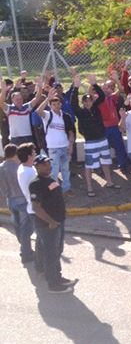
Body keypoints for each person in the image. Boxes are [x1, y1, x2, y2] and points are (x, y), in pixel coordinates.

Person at [28, 154, 77, 293]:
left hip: (58, 222)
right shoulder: (36, 183)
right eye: (44, 164)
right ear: (36, 166)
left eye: (49, 163)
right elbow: (36, 207)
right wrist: (50, 222)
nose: (48, 166)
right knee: (51, 253)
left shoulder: (50, 179)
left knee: (56, 251)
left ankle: (57, 276)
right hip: (48, 225)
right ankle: (53, 284)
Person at [72, 74, 118, 195]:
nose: (88, 103)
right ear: (83, 102)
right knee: (89, 166)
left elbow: (102, 96)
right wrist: (76, 88)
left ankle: (109, 182)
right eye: (85, 101)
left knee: (106, 162)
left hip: (102, 139)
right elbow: (73, 104)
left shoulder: (96, 108)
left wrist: (94, 84)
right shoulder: (80, 112)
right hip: (90, 142)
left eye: (90, 100)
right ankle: (90, 188)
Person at [35, 87, 75, 194]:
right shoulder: (48, 115)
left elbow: (71, 132)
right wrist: (47, 99)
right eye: (53, 104)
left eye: (58, 104)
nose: (56, 106)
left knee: (66, 169)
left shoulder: (65, 116)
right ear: (50, 105)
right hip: (53, 147)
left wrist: (70, 145)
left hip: (65, 146)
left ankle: (66, 188)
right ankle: (55, 191)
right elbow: (38, 111)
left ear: (60, 104)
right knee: (54, 171)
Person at [1, 143, 33, 263]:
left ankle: (24, 247)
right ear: (15, 154)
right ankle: (26, 252)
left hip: (10, 200)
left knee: (17, 226)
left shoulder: (1, 167)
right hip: (22, 200)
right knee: (26, 228)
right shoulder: (19, 168)